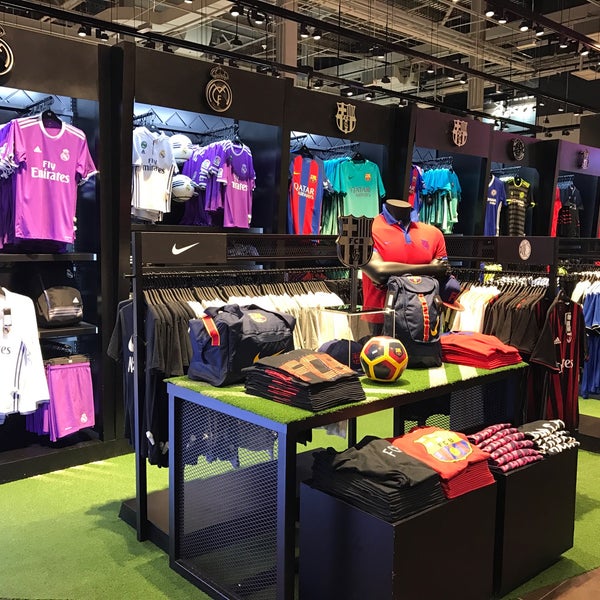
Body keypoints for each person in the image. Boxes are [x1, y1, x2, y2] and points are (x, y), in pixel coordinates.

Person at [361, 199, 450, 314]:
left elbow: (443, 272)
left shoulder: (434, 234)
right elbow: (379, 272)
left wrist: (390, 276)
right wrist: (431, 269)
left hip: (424, 315)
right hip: (379, 313)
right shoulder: (366, 230)